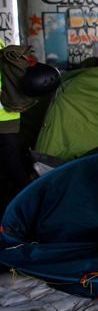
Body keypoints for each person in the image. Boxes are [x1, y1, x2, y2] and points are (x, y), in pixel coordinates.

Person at [0, 39, 32, 214]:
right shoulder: (2, 46)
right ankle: (27, 201)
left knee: (12, 165)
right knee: (13, 163)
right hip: (9, 113)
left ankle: (26, 202)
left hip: (4, 115)